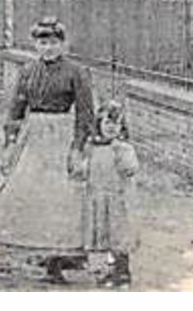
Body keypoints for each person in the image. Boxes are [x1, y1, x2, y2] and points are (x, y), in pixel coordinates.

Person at [0, 16, 94, 284]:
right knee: (9, 192)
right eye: (42, 42)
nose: (48, 48)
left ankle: (55, 263)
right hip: (31, 137)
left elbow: (85, 114)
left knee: (60, 199)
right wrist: (10, 144)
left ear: (63, 44)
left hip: (60, 136)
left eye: (53, 42)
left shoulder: (76, 72)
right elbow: (15, 110)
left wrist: (78, 149)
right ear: (35, 44)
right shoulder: (27, 71)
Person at [77, 100, 139, 289]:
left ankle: (123, 272)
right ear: (99, 125)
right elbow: (84, 170)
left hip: (117, 198)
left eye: (116, 124)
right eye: (107, 123)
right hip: (97, 196)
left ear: (122, 127)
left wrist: (122, 154)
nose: (112, 128)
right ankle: (108, 271)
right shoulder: (93, 147)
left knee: (118, 235)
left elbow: (131, 168)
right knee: (102, 235)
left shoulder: (123, 148)